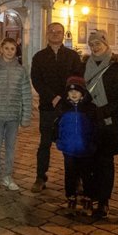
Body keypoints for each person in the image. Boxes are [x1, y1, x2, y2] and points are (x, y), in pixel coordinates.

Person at [30, 21, 84, 193]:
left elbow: (77, 79)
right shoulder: (39, 57)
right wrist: (52, 97)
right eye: (51, 31)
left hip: (68, 107)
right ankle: (40, 177)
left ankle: (75, 179)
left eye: (58, 32)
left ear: (63, 35)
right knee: (44, 143)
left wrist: (64, 96)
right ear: (47, 33)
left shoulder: (72, 56)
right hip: (47, 106)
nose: (55, 34)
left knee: (70, 143)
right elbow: (37, 80)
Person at [83, 30, 118, 220]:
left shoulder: (117, 67)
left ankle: (103, 201)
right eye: (92, 44)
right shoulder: (84, 64)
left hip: (109, 121)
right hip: (88, 120)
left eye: (98, 44)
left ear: (106, 44)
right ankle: (91, 195)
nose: (95, 47)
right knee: (88, 161)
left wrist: (103, 111)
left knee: (105, 162)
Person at [0, 37, 32, 191]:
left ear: (16, 50)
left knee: (10, 148)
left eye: (12, 49)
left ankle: (7, 176)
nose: (9, 51)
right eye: (6, 48)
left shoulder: (21, 71)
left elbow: (26, 93)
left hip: (13, 116)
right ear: (1, 49)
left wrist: (26, 116)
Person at [53, 76, 98, 215]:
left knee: (87, 175)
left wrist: (94, 142)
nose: (74, 94)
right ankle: (71, 197)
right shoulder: (62, 108)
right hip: (69, 148)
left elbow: (96, 127)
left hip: (86, 148)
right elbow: (55, 127)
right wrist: (58, 140)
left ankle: (88, 198)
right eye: (71, 91)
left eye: (77, 91)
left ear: (83, 93)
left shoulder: (90, 108)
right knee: (70, 174)